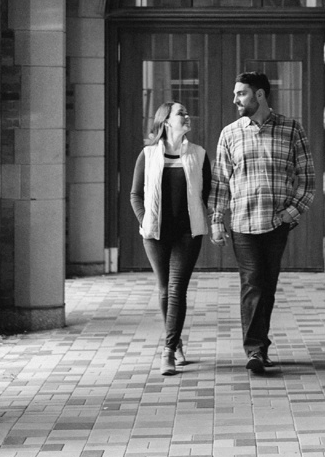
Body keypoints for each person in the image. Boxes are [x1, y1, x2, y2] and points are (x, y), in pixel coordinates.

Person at [208, 71, 315, 374]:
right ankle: (254, 350)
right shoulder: (230, 134)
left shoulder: (292, 130)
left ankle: (261, 347)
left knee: (267, 287)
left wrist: (289, 214)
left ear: (259, 95)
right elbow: (220, 182)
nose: (235, 100)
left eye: (240, 93)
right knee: (252, 284)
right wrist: (217, 219)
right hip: (243, 223)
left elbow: (307, 180)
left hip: (276, 223)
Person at [129, 102, 213, 376]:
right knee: (165, 290)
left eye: (188, 112)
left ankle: (167, 352)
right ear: (166, 121)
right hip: (155, 234)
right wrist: (145, 220)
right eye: (181, 114)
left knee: (177, 289)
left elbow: (208, 193)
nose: (187, 117)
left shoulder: (199, 154)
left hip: (188, 234)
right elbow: (135, 195)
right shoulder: (148, 154)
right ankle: (175, 343)